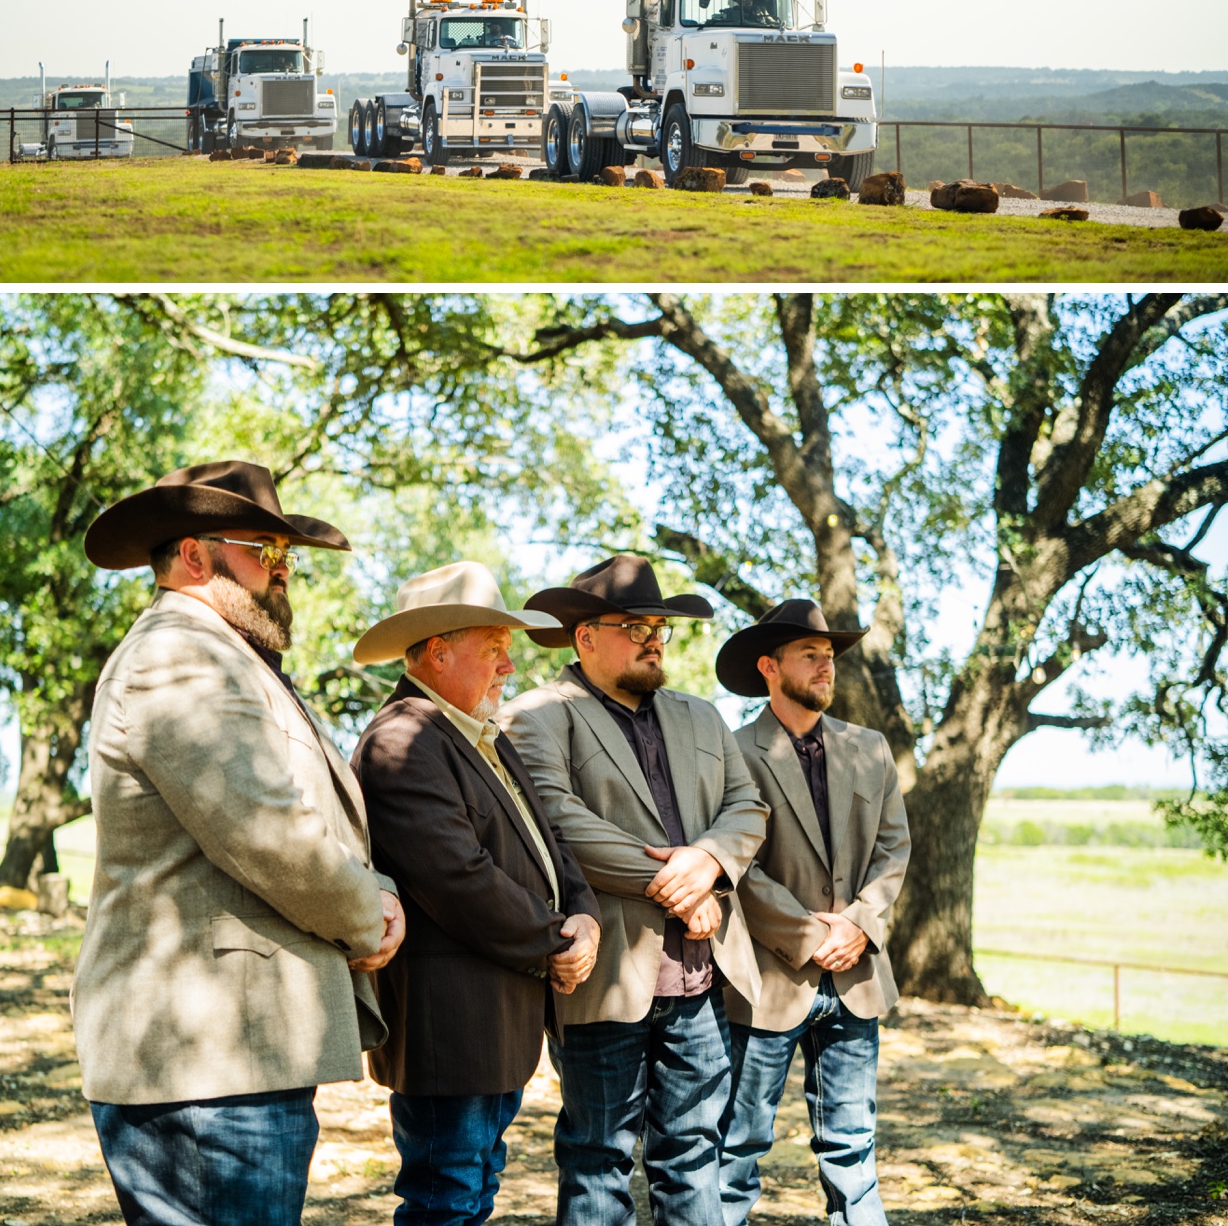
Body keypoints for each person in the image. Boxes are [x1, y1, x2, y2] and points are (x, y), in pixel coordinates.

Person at [72, 460, 406, 1226]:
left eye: (285, 554)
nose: (283, 570)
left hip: (230, 1060)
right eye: (266, 550)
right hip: (205, 1065)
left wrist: (376, 895)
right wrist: (370, 915)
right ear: (195, 555)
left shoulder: (224, 655)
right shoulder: (177, 655)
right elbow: (268, 831)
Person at [501, 554, 768, 1226]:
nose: (653, 640)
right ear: (585, 636)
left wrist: (708, 861)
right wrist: (676, 885)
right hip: (606, 978)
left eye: (659, 628)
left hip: (702, 980)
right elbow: (553, 819)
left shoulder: (702, 715)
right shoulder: (536, 715)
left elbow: (748, 806)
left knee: (694, 1157)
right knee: (598, 1160)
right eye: (634, 627)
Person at [350, 562, 603, 1226]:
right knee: (448, 1200)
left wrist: (586, 917)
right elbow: (458, 878)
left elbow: (550, 842)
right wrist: (555, 942)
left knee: (473, 1192)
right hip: (451, 1030)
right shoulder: (401, 739)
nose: (509, 667)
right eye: (495, 649)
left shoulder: (475, 732)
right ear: (439, 652)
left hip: (491, 1024)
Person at [713, 599, 911, 1226]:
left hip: (856, 977)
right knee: (737, 1149)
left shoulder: (871, 747)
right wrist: (808, 934)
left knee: (853, 1150)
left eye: (829, 655)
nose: (826, 666)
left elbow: (894, 848)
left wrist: (859, 924)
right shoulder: (731, 752)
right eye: (810, 655)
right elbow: (736, 862)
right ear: (768, 667)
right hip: (768, 982)